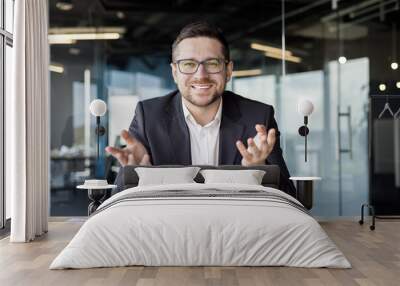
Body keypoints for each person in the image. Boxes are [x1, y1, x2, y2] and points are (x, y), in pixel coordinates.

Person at [106, 21, 296, 197]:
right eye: (189, 64)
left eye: (212, 63)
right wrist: (137, 173)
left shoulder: (258, 117)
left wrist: (257, 168)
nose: (201, 75)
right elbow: (117, 198)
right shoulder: (149, 116)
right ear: (174, 72)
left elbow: (289, 195)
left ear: (228, 71)